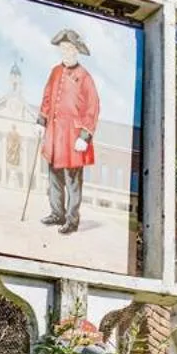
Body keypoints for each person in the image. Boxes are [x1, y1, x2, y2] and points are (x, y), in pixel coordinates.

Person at [37, 28, 100, 234]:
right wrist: (41, 121)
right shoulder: (55, 71)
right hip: (55, 136)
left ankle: (72, 220)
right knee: (54, 177)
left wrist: (84, 136)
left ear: (76, 51)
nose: (66, 52)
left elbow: (92, 108)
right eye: (63, 48)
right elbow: (47, 97)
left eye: (69, 48)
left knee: (73, 181)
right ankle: (57, 213)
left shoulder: (85, 77)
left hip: (73, 138)